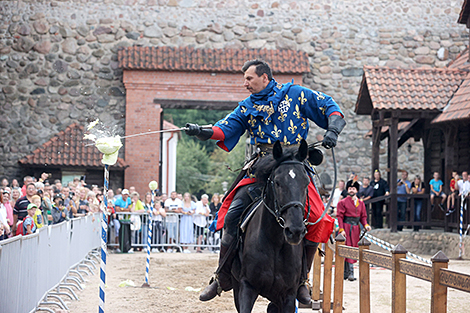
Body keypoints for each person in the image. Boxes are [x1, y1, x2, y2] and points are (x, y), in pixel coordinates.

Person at [186, 59, 345, 303]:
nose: (245, 83)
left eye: (249, 78)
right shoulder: (247, 106)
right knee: (231, 215)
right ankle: (222, 277)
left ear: (265, 77)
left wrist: (332, 130)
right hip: (263, 167)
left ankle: (302, 280)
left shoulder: (296, 94)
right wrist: (201, 130)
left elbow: (329, 107)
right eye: (245, 79)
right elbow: (225, 129)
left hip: (295, 165)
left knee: (318, 218)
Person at [337, 180, 371, 281]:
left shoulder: (361, 203)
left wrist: (366, 225)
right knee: (347, 247)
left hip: (356, 229)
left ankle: (346, 273)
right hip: (346, 227)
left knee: (354, 247)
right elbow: (339, 217)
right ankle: (349, 273)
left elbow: (363, 217)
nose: (351, 190)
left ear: (356, 190)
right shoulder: (342, 203)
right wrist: (341, 229)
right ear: (347, 190)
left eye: (353, 188)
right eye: (350, 188)